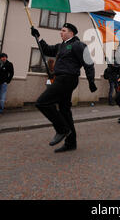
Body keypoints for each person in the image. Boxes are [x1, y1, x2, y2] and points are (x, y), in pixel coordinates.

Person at [31, 24, 97, 153]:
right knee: (64, 111)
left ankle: (62, 129)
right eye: (61, 30)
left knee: (42, 102)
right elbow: (47, 50)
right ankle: (71, 142)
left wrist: (91, 81)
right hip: (61, 78)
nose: (60, 32)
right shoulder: (61, 46)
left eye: (63, 30)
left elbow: (88, 62)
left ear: (71, 33)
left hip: (67, 79)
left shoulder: (77, 45)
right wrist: (38, 37)